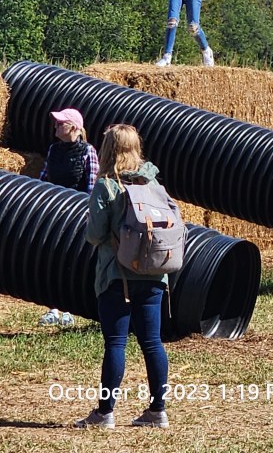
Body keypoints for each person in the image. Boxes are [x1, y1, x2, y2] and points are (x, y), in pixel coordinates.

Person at [75, 124, 170, 429]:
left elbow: (94, 235)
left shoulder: (107, 186)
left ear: (108, 149)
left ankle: (105, 413)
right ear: (136, 147)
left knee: (116, 343)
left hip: (118, 277)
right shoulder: (153, 182)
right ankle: (158, 411)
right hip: (155, 274)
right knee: (152, 342)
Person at [38, 107, 98, 328]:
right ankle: (52, 309)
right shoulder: (53, 150)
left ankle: (68, 311)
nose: (56, 125)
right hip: (54, 212)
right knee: (51, 259)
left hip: (76, 216)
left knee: (70, 262)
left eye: (61, 123)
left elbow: (92, 188)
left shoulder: (88, 151)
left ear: (73, 128)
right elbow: (43, 179)